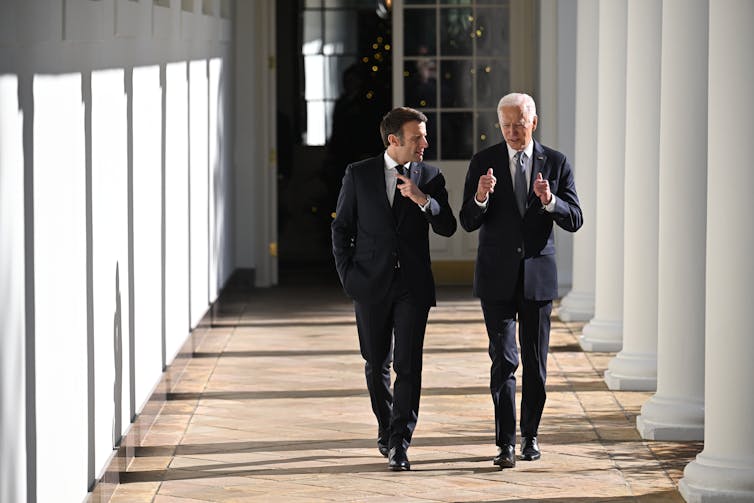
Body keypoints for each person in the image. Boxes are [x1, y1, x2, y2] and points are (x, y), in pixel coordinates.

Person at [459, 93, 582, 469]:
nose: (512, 131)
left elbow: (575, 217)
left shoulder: (556, 162)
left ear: (534, 121)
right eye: (506, 125)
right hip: (496, 278)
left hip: (537, 278)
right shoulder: (484, 161)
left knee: (535, 361)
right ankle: (505, 443)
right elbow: (467, 220)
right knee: (504, 360)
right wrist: (480, 196)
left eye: (519, 124)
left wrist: (550, 201)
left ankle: (530, 434)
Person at [331, 107, 457, 471]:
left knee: (408, 364)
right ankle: (387, 428)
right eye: (417, 137)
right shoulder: (359, 174)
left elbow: (448, 226)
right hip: (369, 284)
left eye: (424, 136)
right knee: (376, 363)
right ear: (393, 141)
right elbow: (342, 231)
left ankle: (400, 442)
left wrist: (423, 200)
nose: (425, 144)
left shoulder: (430, 177)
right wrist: (349, 278)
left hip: (412, 287)